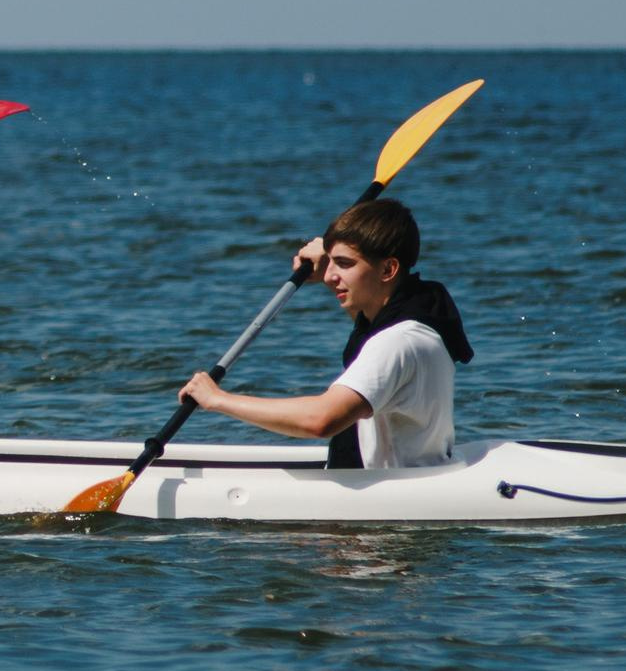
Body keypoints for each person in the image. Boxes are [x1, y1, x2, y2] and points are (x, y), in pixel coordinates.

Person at [179, 198, 472, 469]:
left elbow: (321, 420)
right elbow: (365, 325)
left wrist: (216, 399)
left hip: (388, 498)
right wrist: (331, 266)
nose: (331, 275)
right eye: (331, 261)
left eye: (345, 264)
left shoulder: (396, 343)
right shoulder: (420, 311)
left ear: (388, 269)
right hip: (410, 474)